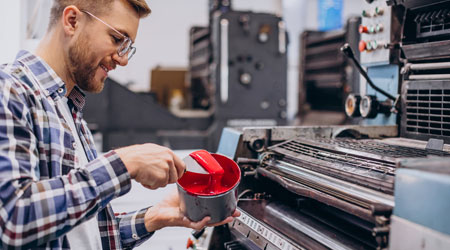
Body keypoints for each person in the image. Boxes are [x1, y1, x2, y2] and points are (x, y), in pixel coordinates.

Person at [0, 0, 239, 249]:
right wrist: (125, 163)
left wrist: (154, 217)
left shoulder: (69, 109)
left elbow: (85, 237)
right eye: (116, 39)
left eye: (127, 47)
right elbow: (13, 219)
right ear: (72, 21)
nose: (123, 60)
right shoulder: (10, 91)